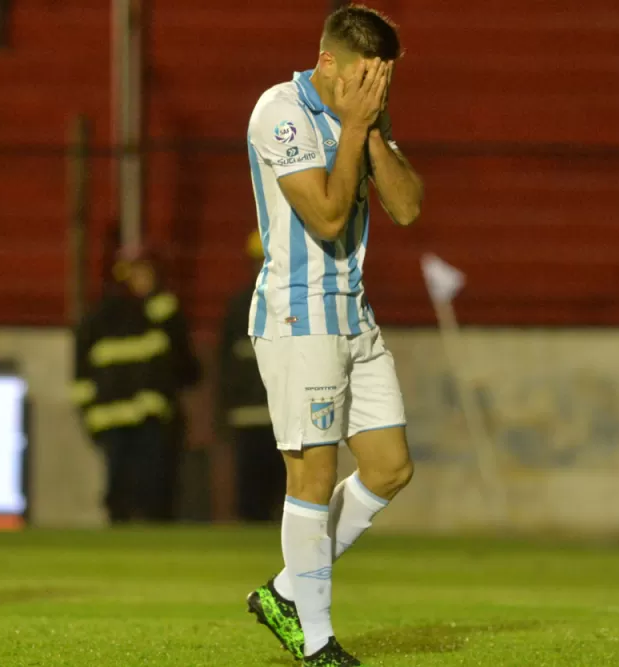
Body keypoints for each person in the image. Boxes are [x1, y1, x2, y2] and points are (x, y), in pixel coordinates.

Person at [242, 5, 423, 665]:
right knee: (312, 471)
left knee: (390, 466)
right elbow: (323, 215)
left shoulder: (365, 116)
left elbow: (405, 206)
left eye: (386, 81)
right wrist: (351, 129)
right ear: (328, 63)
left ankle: (289, 589)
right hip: (299, 317)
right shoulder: (280, 112)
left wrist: (369, 129)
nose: (380, 92)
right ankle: (316, 641)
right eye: (369, 78)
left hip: (353, 314)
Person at [71, 248, 201, 523]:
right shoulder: (100, 320)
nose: (140, 281)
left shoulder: (162, 314)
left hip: (151, 418)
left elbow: (185, 365)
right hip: (113, 419)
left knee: (156, 486)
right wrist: (88, 414)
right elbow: (81, 374)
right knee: (120, 487)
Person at [216, 230, 284, 522]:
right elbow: (227, 364)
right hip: (249, 418)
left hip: (285, 419)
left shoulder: (294, 304)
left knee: (288, 494)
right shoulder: (238, 307)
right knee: (251, 496)